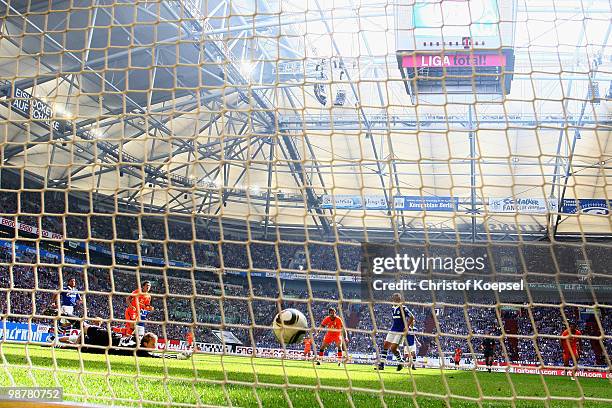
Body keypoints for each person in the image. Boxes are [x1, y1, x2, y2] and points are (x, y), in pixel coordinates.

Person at [56, 321, 191, 359]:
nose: (155, 346)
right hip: (109, 343)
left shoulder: (136, 338)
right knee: (80, 341)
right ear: (145, 343)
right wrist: (178, 356)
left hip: (109, 339)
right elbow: (159, 356)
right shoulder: (141, 351)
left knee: (84, 330)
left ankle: (65, 323)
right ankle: (59, 338)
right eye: (153, 343)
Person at [376, 293, 414, 372]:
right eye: (395, 298)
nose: (396, 300)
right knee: (385, 345)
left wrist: (407, 327)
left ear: (400, 300)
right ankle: (382, 365)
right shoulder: (393, 308)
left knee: (393, 348)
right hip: (393, 329)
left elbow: (412, 317)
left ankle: (400, 362)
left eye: (397, 299)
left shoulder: (403, 308)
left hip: (400, 331)